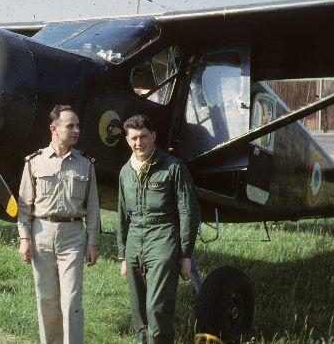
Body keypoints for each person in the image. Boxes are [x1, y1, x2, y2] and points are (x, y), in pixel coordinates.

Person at [17, 104, 100, 344]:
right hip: (41, 233)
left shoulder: (85, 163)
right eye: (70, 126)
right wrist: (24, 238)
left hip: (72, 235)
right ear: (53, 128)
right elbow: (24, 205)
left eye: (78, 126)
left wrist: (92, 242)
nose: (76, 130)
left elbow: (93, 207)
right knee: (46, 298)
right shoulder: (34, 162)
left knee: (72, 300)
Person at [117, 114, 200, 344]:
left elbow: (189, 211)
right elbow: (122, 215)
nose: (139, 143)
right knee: (139, 311)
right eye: (134, 138)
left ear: (153, 136)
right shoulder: (125, 172)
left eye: (144, 136)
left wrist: (185, 255)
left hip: (163, 237)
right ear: (127, 140)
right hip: (134, 242)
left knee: (157, 308)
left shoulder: (173, 167)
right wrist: (123, 256)